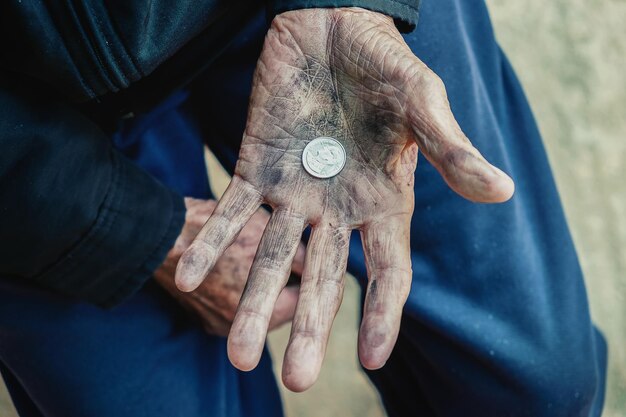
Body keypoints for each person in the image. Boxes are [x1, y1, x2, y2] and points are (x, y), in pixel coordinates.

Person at [0, 0, 606, 416]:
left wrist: (353, 5)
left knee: (536, 391)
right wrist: (119, 227)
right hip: (31, 136)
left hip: (320, 22)